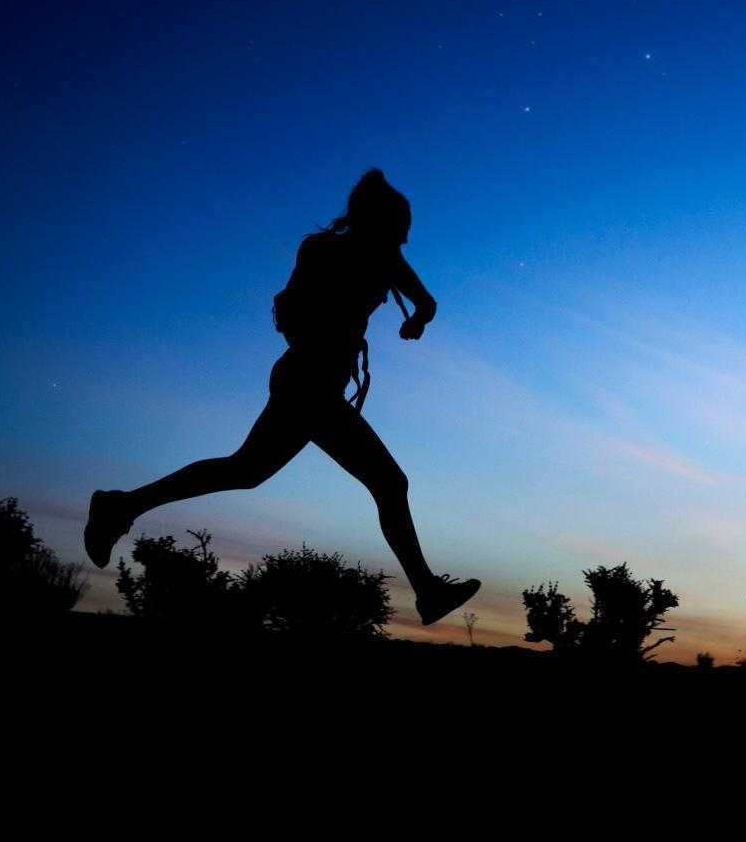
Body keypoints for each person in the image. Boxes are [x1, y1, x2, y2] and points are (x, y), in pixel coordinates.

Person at [82, 169, 480, 626]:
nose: (403, 241)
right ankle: (427, 591)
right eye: (398, 230)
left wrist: (417, 321)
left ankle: (121, 505)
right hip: (305, 382)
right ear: (378, 222)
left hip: (318, 387)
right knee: (389, 482)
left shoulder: (387, 260)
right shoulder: (323, 251)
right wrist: (330, 330)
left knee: (244, 470)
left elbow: (427, 302)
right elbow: (290, 311)